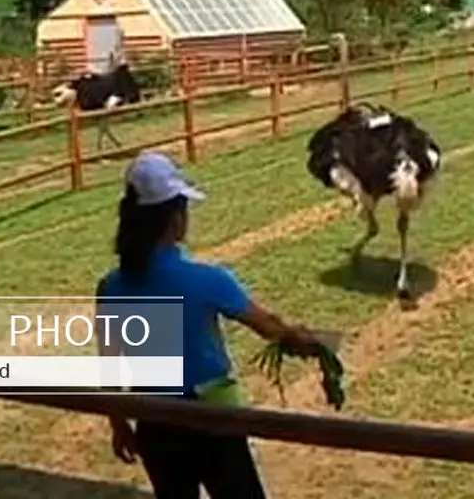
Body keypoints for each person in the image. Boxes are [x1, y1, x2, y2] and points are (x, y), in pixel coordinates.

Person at [96, 151, 328, 499]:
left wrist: (118, 424)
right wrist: (308, 341)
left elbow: (110, 366)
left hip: (155, 422)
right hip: (213, 420)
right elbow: (270, 328)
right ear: (175, 219)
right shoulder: (208, 280)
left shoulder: (111, 287)